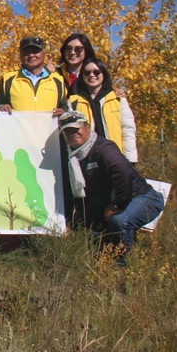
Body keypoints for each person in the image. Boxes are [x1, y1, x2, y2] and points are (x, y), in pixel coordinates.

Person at [58, 110, 163, 260]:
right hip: (111, 200)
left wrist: (118, 206)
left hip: (143, 198)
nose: (72, 134)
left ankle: (121, 264)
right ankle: (100, 255)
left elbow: (124, 174)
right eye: (67, 131)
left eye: (76, 129)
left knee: (119, 220)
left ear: (87, 127)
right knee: (80, 222)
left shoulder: (104, 148)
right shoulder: (73, 157)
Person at [70, 58, 138, 162]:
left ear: (104, 74)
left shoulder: (118, 99)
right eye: (87, 72)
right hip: (86, 160)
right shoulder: (73, 102)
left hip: (114, 158)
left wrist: (130, 160)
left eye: (96, 72)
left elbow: (128, 130)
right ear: (83, 76)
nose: (92, 75)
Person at [0, 36, 67, 114]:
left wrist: (63, 112)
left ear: (44, 53)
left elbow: (64, 107)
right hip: (17, 126)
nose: (31, 55)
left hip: (49, 126)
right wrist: (1, 107)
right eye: (26, 52)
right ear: (21, 55)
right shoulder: (8, 79)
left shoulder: (58, 80)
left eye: (35, 51)